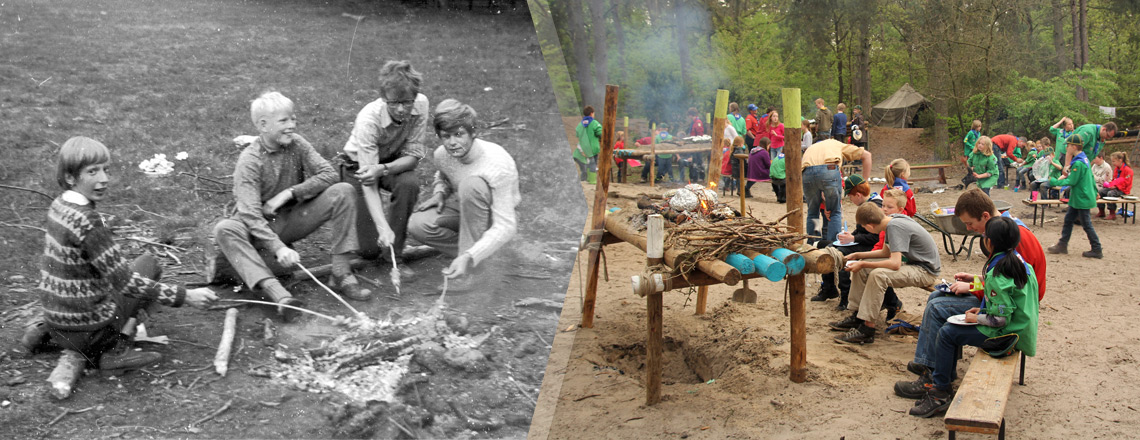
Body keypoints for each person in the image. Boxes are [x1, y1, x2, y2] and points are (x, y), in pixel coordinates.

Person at [22, 136, 218, 372]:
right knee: (148, 264)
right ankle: (113, 351)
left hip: (57, 322)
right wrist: (185, 296)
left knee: (127, 274)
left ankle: (43, 332)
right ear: (70, 177)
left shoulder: (59, 205)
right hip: (92, 333)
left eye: (106, 170)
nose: (104, 179)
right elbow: (125, 282)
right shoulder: (88, 221)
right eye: (92, 172)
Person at [211, 91, 371, 318]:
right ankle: (280, 296)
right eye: (284, 121)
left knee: (343, 191)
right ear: (263, 125)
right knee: (225, 228)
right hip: (257, 229)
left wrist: (289, 193)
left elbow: (329, 174)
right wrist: (278, 248)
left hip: (291, 218)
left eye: (293, 119)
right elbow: (250, 215)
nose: (292, 125)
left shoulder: (297, 144)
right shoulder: (250, 160)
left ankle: (341, 272)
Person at [894, 189, 1046, 399]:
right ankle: (934, 364)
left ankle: (933, 377)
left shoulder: (1014, 238)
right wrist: (975, 281)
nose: (969, 229)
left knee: (939, 308)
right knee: (935, 297)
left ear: (985, 216)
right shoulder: (1005, 230)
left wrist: (975, 288)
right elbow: (1005, 277)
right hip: (1003, 301)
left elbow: (1013, 288)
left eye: (970, 224)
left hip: (1014, 312)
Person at [408, 100, 520, 292]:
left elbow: (507, 225)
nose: (452, 143)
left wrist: (469, 255)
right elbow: (443, 173)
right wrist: (440, 192)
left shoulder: (498, 162)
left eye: (459, 134)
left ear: (473, 133)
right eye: (446, 136)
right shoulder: (442, 154)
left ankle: (471, 267)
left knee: (472, 185)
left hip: (498, 217)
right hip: (468, 210)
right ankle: (483, 253)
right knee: (417, 224)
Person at [341, 60, 429, 266]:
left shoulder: (422, 104)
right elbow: (368, 180)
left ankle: (394, 255)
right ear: (383, 98)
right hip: (357, 167)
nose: (400, 109)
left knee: (409, 183)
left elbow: (414, 157)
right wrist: (382, 227)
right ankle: (379, 240)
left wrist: (383, 169)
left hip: (390, 163)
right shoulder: (368, 120)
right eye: (393, 103)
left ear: (415, 98)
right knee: (369, 250)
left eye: (406, 102)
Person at [830, 202, 940, 345]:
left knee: (878, 275)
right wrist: (858, 255)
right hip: (915, 263)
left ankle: (867, 330)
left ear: (869, 226)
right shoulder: (890, 220)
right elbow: (885, 252)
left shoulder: (894, 227)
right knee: (863, 267)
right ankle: (858, 315)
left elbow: (895, 263)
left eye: (864, 228)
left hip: (925, 270)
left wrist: (863, 263)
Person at [811, 176, 901, 314]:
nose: (850, 200)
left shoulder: (874, 206)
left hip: (875, 247)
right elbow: (862, 231)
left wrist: (853, 238)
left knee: (840, 255)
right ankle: (829, 288)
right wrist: (849, 237)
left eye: (850, 196)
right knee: (827, 248)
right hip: (865, 243)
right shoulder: (867, 204)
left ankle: (846, 295)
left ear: (858, 195)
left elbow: (875, 237)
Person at [801, 139, 872, 246]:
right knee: (835, 212)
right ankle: (833, 245)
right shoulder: (838, 144)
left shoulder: (813, 147)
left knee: (812, 212)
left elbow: (817, 175)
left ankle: (813, 242)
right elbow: (867, 155)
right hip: (829, 169)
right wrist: (864, 182)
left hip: (807, 172)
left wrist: (825, 204)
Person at [1046, 134, 1102, 258]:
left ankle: (1097, 249)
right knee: (1068, 220)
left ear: (1074, 146)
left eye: (1068, 145)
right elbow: (1091, 177)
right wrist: (1095, 190)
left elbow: (1071, 181)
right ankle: (1062, 245)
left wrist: (1054, 181)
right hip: (1079, 197)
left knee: (1086, 224)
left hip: (1082, 197)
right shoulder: (1084, 159)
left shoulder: (1079, 163)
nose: (1066, 148)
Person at [1097, 152, 1132, 220]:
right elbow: (1115, 179)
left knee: (1110, 194)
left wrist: (1116, 186)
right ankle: (1101, 211)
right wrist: (1110, 185)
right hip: (1115, 187)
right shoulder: (1116, 169)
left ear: (1120, 160)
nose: (1113, 163)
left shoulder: (1128, 170)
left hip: (1123, 190)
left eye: (1114, 161)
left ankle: (1112, 213)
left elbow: (1127, 183)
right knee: (1101, 191)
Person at [573, 105, 602, 183]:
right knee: (593, 163)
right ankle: (592, 180)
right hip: (593, 148)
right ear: (591, 113)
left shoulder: (580, 124)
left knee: (589, 162)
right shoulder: (595, 123)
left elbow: (577, 134)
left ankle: (588, 179)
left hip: (583, 148)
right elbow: (600, 133)